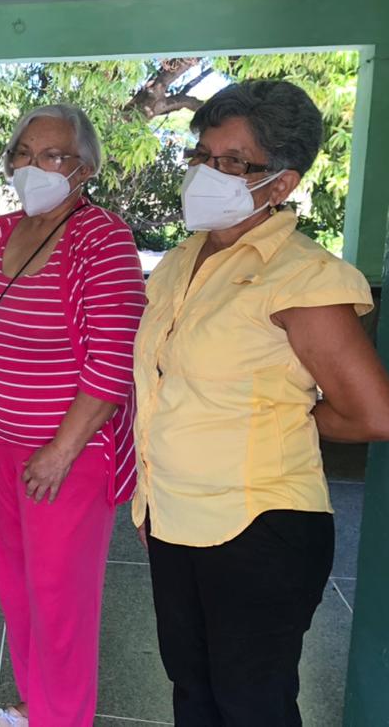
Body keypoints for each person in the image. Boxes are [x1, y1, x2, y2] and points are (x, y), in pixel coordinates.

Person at [132, 79, 389, 726]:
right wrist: (152, 497)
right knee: (193, 692)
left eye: (231, 162)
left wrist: (294, 417)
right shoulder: (179, 262)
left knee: (252, 706)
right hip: (176, 518)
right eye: (201, 155)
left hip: (259, 527)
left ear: (280, 184)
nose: (205, 172)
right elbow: (168, 387)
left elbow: (373, 412)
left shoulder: (302, 276)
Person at [0, 105, 146, 727]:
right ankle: (38, 704)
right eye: (24, 154)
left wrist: (61, 450)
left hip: (66, 457)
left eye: (54, 156)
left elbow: (113, 361)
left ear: (84, 169)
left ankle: (63, 718)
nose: (34, 166)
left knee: (61, 604)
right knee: (17, 591)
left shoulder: (104, 239)